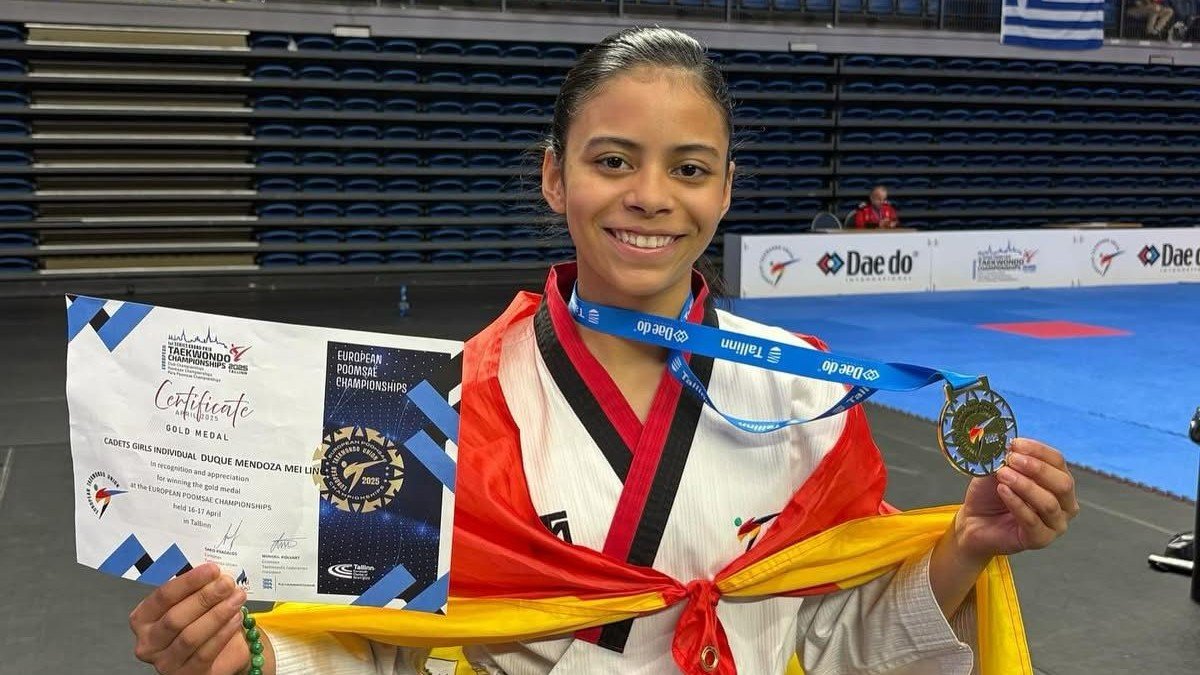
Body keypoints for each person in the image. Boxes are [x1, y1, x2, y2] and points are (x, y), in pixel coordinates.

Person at [128, 27, 1078, 675]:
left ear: (726, 190)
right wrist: (239, 651)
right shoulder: (436, 404)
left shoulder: (803, 385)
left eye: (689, 168)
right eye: (613, 160)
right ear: (555, 176)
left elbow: (839, 638)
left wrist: (963, 545)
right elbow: (376, 649)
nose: (651, 195)